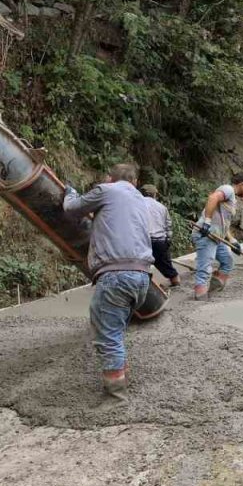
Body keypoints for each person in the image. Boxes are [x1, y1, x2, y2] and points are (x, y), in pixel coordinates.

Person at [63, 163, 153, 400]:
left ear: (109, 178)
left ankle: (116, 396)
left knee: (108, 334)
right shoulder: (141, 200)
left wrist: (70, 191)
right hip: (142, 276)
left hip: (116, 275)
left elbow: (72, 209)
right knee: (115, 329)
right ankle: (121, 378)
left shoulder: (107, 190)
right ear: (134, 182)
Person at [192, 174, 243, 300]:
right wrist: (207, 221)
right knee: (205, 265)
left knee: (227, 261)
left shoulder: (231, 199)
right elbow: (212, 198)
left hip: (216, 236)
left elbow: (223, 223)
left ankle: (214, 285)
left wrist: (232, 240)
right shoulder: (228, 189)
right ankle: (200, 293)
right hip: (206, 234)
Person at [139, 184, 179, 288]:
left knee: (141, 265)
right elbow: (168, 225)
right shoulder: (162, 207)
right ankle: (175, 281)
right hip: (161, 241)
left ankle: (151, 286)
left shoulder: (137, 205)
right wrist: (168, 240)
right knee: (165, 263)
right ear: (154, 194)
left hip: (144, 241)